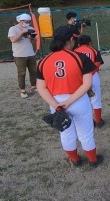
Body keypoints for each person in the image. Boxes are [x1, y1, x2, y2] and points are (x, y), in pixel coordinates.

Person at [36, 26, 103, 167]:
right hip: (77, 99)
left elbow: (41, 88)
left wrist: (57, 105)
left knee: (66, 133)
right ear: (71, 40)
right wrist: (68, 102)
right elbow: (87, 84)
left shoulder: (43, 61)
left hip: (55, 101)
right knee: (85, 132)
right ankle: (92, 160)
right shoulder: (80, 57)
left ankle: (75, 160)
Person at [74, 35, 105, 128]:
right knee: (96, 99)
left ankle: (88, 121)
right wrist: (90, 73)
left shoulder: (74, 52)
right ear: (90, 42)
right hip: (93, 76)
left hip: (80, 78)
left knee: (83, 100)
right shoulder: (94, 51)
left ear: (78, 43)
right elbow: (97, 64)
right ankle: (98, 121)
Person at [8, 13, 37, 98]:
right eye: (26, 21)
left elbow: (35, 39)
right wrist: (22, 32)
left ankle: (33, 86)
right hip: (19, 55)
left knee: (33, 71)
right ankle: (22, 90)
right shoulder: (13, 29)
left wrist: (32, 37)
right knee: (22, 73)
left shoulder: (30, 28)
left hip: (30, 53)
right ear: (21, 21)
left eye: (29, 21)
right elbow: (13, 40)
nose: (28, 23)